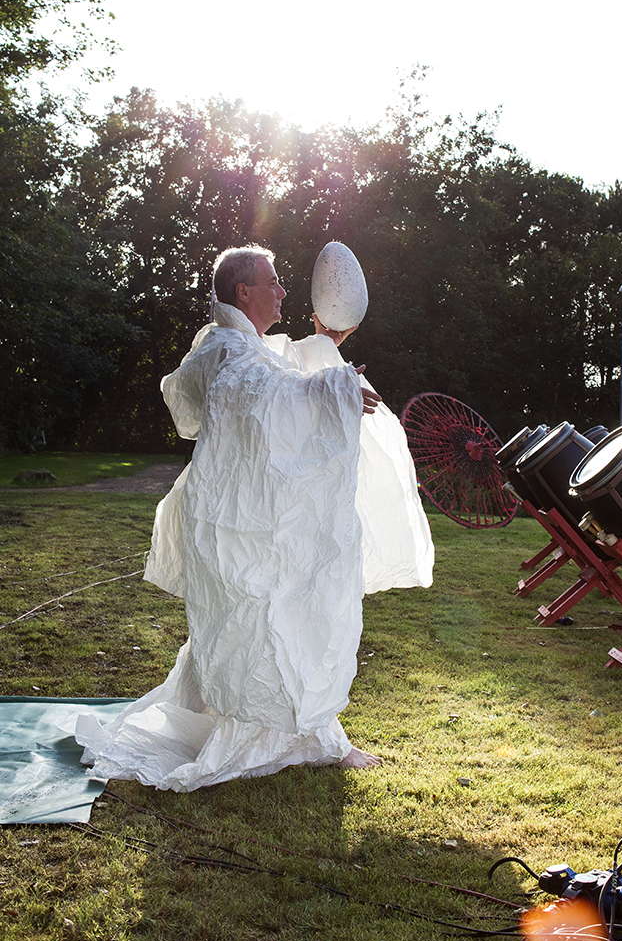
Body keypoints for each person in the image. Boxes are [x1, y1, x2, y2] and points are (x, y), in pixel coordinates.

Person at [74, 245, 434, 790]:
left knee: (274, 615)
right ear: (244, 292)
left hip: (242, 516)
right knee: (257, 617)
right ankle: (257, 732)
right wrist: (331, 388)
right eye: (273, 282)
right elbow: (250, 395)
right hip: (235, 520)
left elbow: (271, 374)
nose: (284, 291)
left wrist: (324, 352)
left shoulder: (237, 344)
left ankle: (309, 733)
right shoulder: (226, 346)